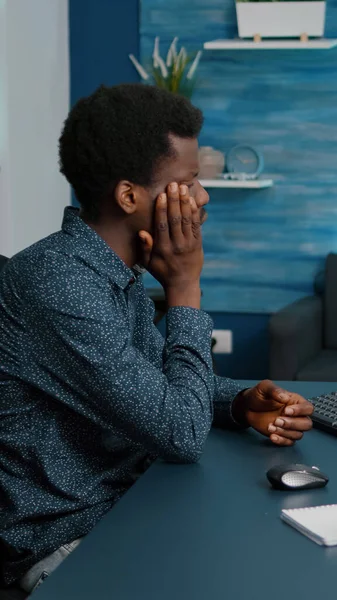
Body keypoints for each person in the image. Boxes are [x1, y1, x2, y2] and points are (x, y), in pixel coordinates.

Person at [0, 84, 313, 597]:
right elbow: (180, 433)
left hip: (135, 501)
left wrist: (237, 402)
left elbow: (156, 386)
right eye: (190, 182)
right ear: (129, 197)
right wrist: (185, 287)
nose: (204, 197)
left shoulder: (108, 273)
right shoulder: (59, 285)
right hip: (71, 543)